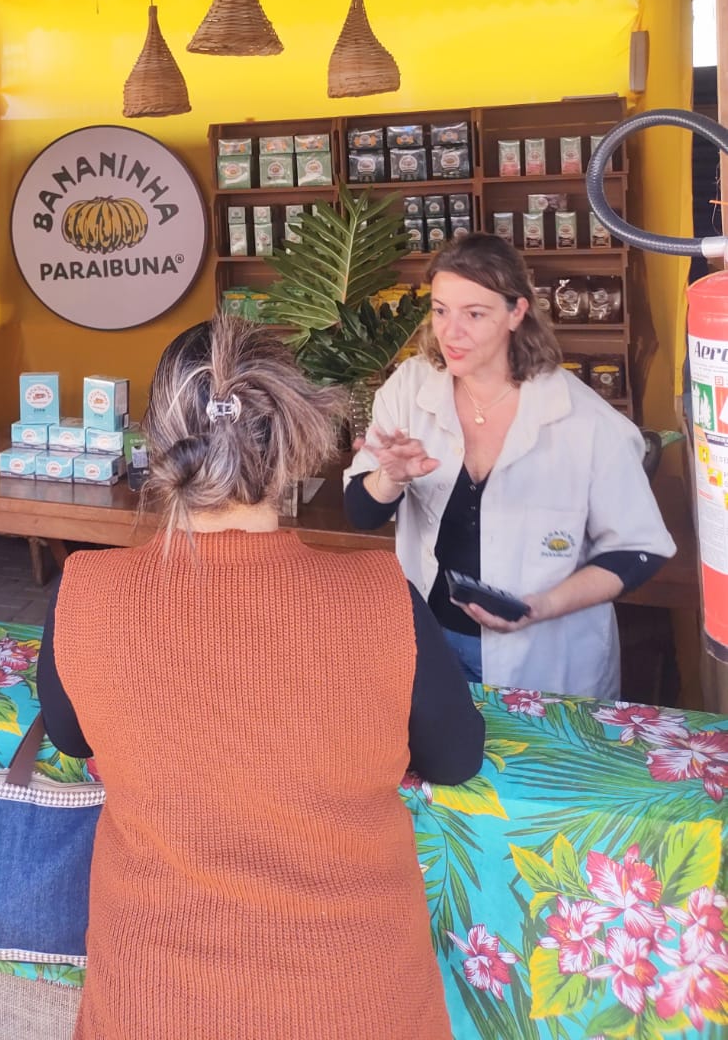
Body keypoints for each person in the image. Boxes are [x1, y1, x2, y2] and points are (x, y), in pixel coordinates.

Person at [37, 316, 483, 1040]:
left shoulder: (85, 591)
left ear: (156, 446)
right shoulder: (379, 597)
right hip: (357, 1008)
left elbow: (69, 735)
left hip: (154, 1008)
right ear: (296, 445)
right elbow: (455, 758)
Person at [344, 233, 676, 697]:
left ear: (517, 312)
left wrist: (541, 606)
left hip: (547, 655)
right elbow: (361, 514)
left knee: (540, 748)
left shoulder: (584, 420)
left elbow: (638, 550)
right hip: (433, 645)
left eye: (474, 314)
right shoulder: (410, 389)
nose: (451, 332)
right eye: (440, 310)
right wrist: (389, 478)